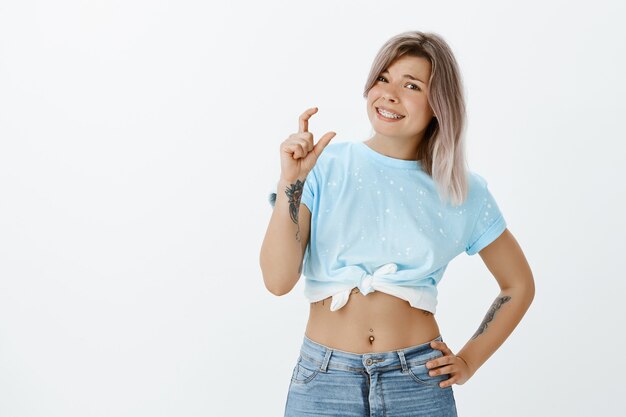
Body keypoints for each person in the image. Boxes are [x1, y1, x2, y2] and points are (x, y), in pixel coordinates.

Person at [260, 30, 535, 417]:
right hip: (324, 381)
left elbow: (518, 285)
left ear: (439, 104)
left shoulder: (461, 190)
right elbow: (277, 280)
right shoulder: (324, 167)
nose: (389, 93)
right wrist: (292, 182)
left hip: (418, 383)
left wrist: (469, 361)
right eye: (383, 78)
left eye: (411, 85)